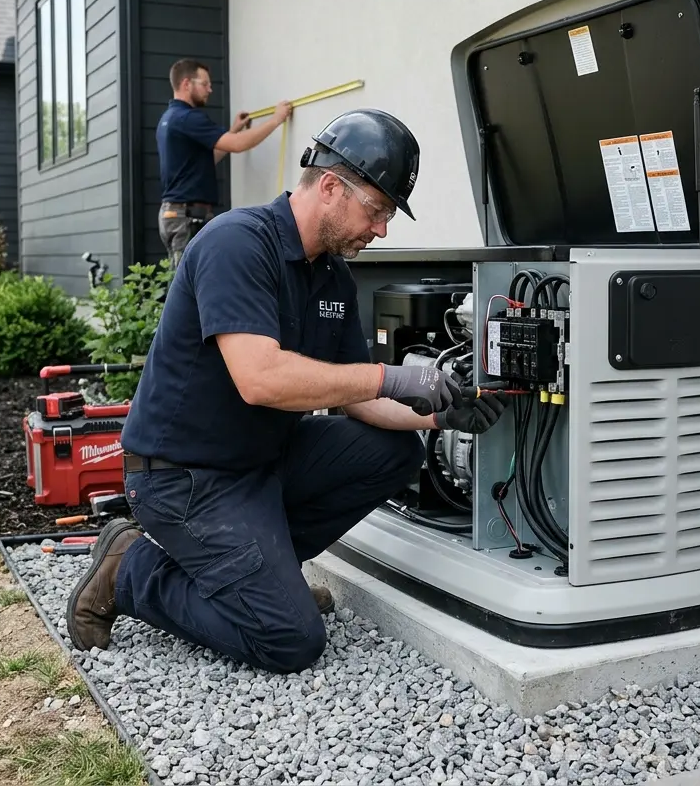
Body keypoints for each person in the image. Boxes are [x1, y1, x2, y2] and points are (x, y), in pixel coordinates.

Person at [64, 109, 508, 673]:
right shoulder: (237, 244)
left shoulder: (333, 276)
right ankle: (130, 569)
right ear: (330, 187)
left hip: (260, 463)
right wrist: (392, 374)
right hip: (184, 478)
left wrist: (441, 419)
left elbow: (355, 399)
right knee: (291, 641)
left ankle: (258, 577)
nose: (381, 230)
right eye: (376, 211)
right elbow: (261, 379)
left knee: (394, 453)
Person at [156, 58, 294, 265]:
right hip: (187, 217)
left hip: (179, 214)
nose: (210, 89)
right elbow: (237, 145)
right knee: (188, 285)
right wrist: (276, 119)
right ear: (186, 84)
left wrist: (233, 130)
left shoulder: (170, 118)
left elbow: (206, 160)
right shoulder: (188, 118)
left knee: (192, 279)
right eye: (204, 84)